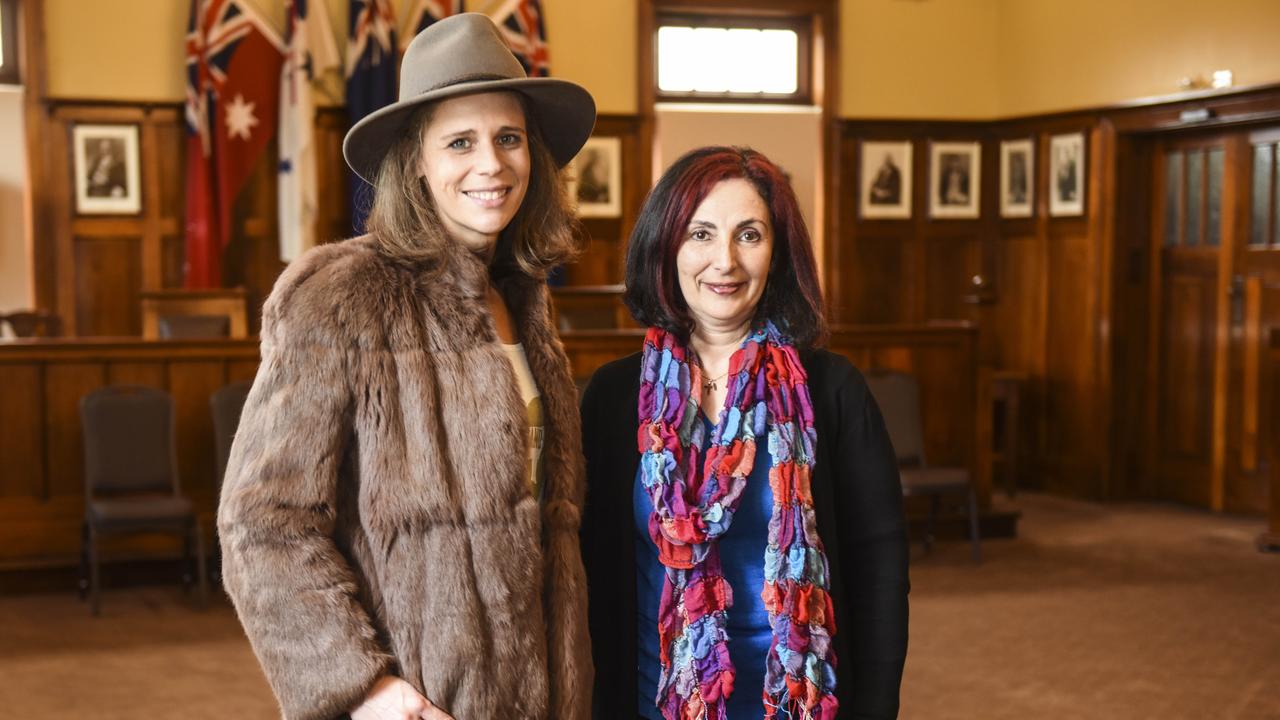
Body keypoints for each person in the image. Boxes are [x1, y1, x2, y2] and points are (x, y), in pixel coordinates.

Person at [218, 14, 596, 720]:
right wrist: (361, 686)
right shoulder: (339, 295)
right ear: (416, 160)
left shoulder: (522, 294)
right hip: (419, 701)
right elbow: (264, 523)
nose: (492, 164)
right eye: (460, 142)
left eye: (508, 138)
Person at [580, 146, 910, 720]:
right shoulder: (613, 397)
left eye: (749, 234)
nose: (724, 261)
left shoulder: (832, 391)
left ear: (778, 253)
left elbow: (880, 572)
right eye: (700, 234)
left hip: (803, 705)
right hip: (653, 700)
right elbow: (592, 577)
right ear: (666, 246)